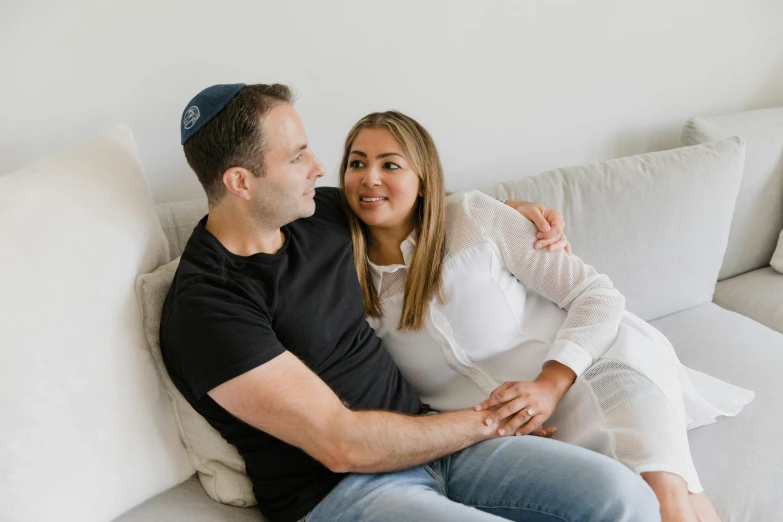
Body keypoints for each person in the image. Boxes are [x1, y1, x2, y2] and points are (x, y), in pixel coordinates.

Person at [161, 83, 662, 522]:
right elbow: (342, 444)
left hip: (442, 446)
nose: (318, 167)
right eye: (296, 157)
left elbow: (411, 200)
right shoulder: (208, 305)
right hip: (344, 492)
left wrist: (510, 213)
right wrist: (492, 420)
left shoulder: (317, 214)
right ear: (241, 183)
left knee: (621, 498)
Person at [338, 110, 755, 522]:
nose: (369, 178)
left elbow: (597, 295)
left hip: (594, 361)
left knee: (665, 494)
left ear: (423, 179)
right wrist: (492, 422)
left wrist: (549, 386)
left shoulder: (471, 217)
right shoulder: (344, 280)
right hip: (504, 429)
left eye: (390, 164)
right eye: (357, 163)